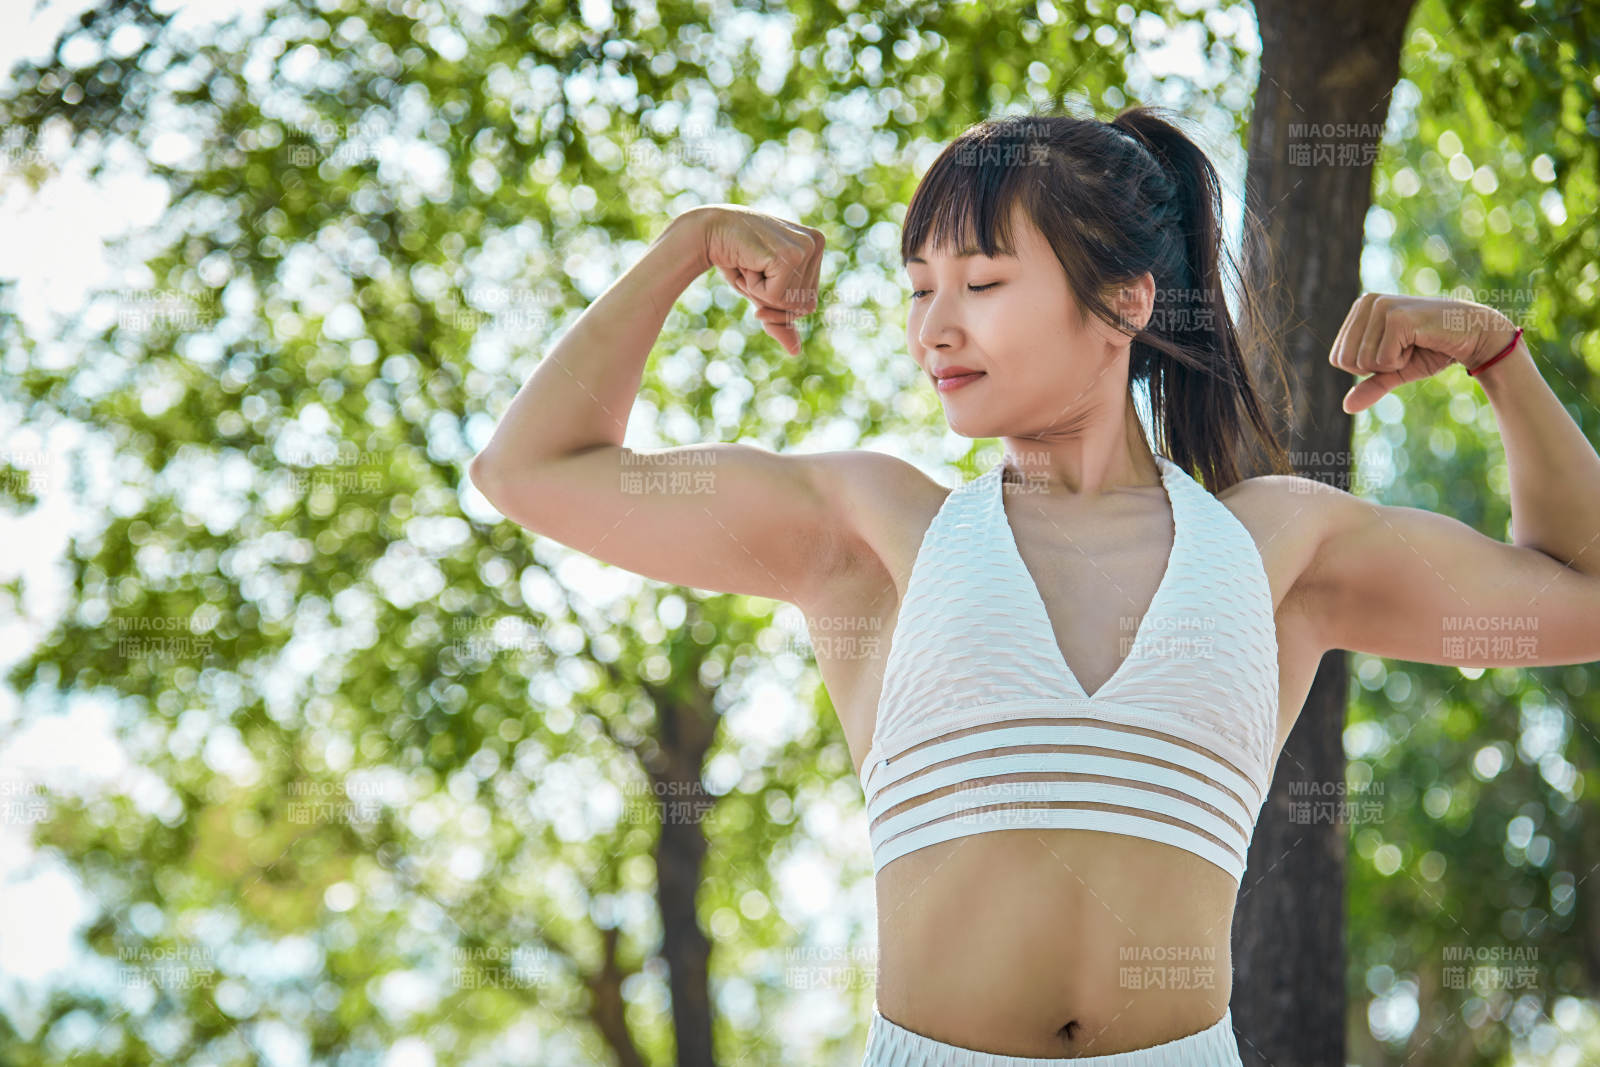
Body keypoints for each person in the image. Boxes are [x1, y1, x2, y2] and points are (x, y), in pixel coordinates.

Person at [468, 104, 1600, 1064]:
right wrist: (688, 242)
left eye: (982, 280)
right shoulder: (874, 524)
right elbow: (532, 468)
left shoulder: (1274, 546)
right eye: (919, 287)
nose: (934, 327)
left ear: (1125, 303)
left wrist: (1501, 361)